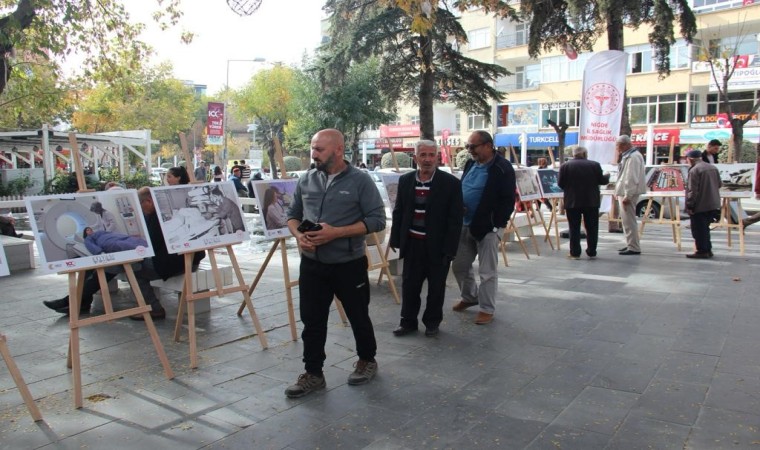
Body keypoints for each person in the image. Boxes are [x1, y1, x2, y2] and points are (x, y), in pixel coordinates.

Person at [284, 128, 385, 398]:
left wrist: (336, 233)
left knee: (358, 315)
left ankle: (367, 359)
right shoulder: (306, 179)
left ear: (338, 150)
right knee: (312, 321)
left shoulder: (360, 181)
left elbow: (377, 220)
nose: (313, 154)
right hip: (312, 264)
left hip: (348, 264)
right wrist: (299, 236)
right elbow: (292, 215)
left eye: (319, 149)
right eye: (312, 148)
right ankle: (313, 373)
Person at [389, 140, 463, 337]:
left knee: (436, 288)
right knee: (409, 286)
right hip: (413, 244)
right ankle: (407, 322)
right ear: (415, 158)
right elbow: (399, 212)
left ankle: (432, 322)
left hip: (438, 247)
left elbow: (455, 220)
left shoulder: (451, 183)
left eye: (431, 155)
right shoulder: (406, 181)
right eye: (423, 155)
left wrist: (450, 249)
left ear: (437, 157)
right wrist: (395, 239)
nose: (428, 159)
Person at [451, 131, 515, 325]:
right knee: (459, 266)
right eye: (467, 146)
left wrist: (496, 224)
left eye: (473, 146)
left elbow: (508, 200)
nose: (469, 150)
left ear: (488, 145)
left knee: (487, 272)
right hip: (464, 223)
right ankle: (470, 297)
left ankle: (487, 309)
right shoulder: (470, 164)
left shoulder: (502, 168)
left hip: (487, 227)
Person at [558, 145, 610, 259]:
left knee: (574, 227)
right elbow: (602, 181)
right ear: (585, 154)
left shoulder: (565, 166)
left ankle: (575, 252)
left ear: (573, 154)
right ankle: (592, 251)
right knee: (592, 227)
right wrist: (607, 176)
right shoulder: (594, 165)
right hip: (591, 201)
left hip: (572, 201)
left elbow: (560, 184)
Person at [684, 149, 721, 258]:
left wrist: (690, 205)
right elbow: (719, 184)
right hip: (713, 203)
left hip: (700, 204)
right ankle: (707, 249)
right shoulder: (712, 167)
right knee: (705, 228)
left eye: (687, 159)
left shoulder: (695, 170)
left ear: (690, 159)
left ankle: (702, 251)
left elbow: (692, 190)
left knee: (699, 229)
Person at [614, 135, 646, 255]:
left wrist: (628, 195)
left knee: (629, 220)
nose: (617, 148)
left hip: (628, 193)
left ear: (624, 145)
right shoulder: (629, 155)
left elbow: (631, 178)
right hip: (624, 192)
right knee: (626, 221)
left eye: (618, 145)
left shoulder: (633, 157)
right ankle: (631, 244)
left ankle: (633, 246)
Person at [83, 227, 148, 255]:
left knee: (134, 239)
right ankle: (145, 251)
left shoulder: (99, 232)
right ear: (85, 233)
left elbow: (110, 233)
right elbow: (90, 245)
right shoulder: (88, 238)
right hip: (107, 241)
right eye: (88, 230)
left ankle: (147, 247)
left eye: (90, 229)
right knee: (124, 244)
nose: (90, 230)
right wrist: (99, 252)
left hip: (115, 236)